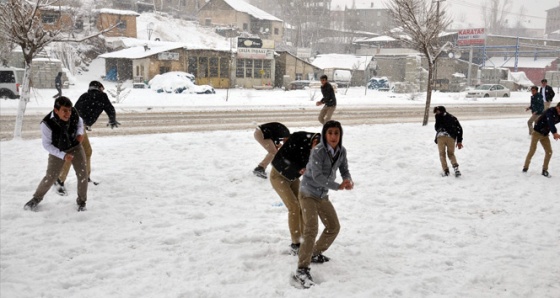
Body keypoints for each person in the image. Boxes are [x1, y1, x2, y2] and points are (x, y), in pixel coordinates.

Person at [292, 120, 353, 289]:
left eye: (336, 133)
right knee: (311, 229)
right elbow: (317, 176)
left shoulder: (341, 151)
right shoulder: (318, 151)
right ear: (325, 135)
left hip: (322, 194)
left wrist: (347, 179)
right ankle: (301, 269)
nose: (333, 136)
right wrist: (337, 186)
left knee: (333, 226)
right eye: (330, 133)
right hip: (308, 193)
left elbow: (344, 169)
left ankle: (314, 253)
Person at [54, 81, 120, 195]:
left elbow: (74, 111)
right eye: (102, 89)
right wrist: (112, 119)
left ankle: (85, 177)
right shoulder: (101, 96)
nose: (103, 91)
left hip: (71, 125)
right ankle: (59, 180)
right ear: (99, 88)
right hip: (77, 127)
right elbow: (110, 108)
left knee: (87, 152)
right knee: (72, 153)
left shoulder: (84, 95)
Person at [24, 96, 88, 212]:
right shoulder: (46, 124)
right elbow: (47, 145)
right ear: (56, 110)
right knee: (51, 177)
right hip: (57, 150)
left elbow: (80, 122)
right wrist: (62, 155)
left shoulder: (73, 113)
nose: (68, 113)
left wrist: (80, 133)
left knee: (82, 174)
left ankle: (82, 202)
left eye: (69, 110)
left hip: (75, 147)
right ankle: (36, 199)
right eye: (64, 110)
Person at [270, 131, 321, 256]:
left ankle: (305, 241)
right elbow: (285, 155)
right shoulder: (300, 138)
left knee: (302, 206)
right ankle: (295, 244)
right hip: (278, 176)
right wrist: (299, 168)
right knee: (294, 206)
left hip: (293, 178)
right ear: (315, 141)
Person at [523, 102, 560, 177]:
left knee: (549, 152)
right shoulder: (550, 111)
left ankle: (544, 170)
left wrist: (553, 133)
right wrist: (554, 133)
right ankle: (525, 168)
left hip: (545, 134)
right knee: (532, 150)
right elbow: (550, 122)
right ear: (557, 107)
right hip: (536, 132)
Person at [433, 106, 463, 177]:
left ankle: (446, 171)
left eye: (438, 111)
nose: (437, 113)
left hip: (441, 137)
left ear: (441, 111)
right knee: (451, 154)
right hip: (451, 137)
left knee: (442, 154)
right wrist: (459, 141)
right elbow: (459, 129)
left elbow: (436, 128)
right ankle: (456, 168)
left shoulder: (438, 117)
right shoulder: (453, 118)